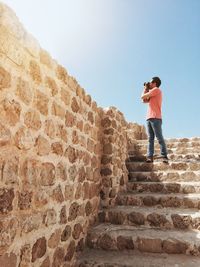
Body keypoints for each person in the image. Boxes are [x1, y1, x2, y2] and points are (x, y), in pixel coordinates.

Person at [141, 76, 168, 163]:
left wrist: (145, 89)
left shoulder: (156, 90)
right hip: (149, 117)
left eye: (151, 82)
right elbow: (144, 100)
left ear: (155, 83)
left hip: (156, 117)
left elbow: (142, 97)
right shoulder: (152, 93)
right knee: (150, 139)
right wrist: (145, 89)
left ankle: (164, 156)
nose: (150, 84)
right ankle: (150, 156)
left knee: (159, 137)